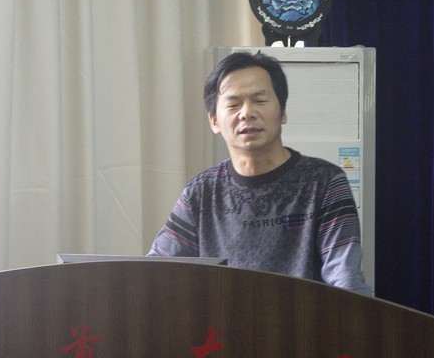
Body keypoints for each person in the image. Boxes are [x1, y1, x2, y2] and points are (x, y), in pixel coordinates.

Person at [148, 51, 371, 295]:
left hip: (303, 318)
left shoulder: (325, 183)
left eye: (260, 100)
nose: (247, 113)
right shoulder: (201, 193)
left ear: (282, 112)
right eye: (233, 104)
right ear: (214, 121)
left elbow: (345, 279)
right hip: (224, 320)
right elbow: (157, 271)